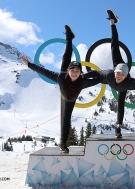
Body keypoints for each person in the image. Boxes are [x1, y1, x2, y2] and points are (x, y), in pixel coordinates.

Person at [20, 25, 100, 153]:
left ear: (80, 72)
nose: (74, 72)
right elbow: (43, 71)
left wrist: (112, 77)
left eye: (77, 71)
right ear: (69, 71)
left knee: (67, 118)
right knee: (66, 57)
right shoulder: (61, 77)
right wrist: (28, 64)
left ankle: (62, 143)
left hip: (71, 98)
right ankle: (69, 38)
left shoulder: (83, 81)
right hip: (66, 88)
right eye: (72, 70)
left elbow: (99, 79)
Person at [83, 9, 135, 138]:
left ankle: (112, 23)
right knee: (113, 48)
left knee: (121, 103)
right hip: (114, 73)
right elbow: (96, 73)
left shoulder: (124, 79)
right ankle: (113, 23)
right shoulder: (109, 74)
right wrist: (83, 76)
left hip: (124, 81)